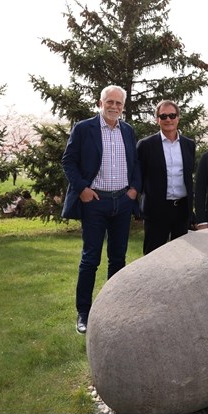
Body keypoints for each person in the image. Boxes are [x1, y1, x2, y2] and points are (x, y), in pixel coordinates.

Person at [61, 85, 141, 335]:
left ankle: (114, 307)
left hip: (122, 202)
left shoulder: (128, 131)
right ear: (100, 102)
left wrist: (134, 190)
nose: (114, 106)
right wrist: (83, 188)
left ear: (123, 106)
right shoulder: (84, 128)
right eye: (110, 102)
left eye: (119, 103)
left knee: (118, 259)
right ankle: (83, 312)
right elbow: (69, 161)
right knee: (90, 259)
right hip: (94, 202)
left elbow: (135, 164)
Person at [136, 100, 195, 255]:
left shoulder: (189, 145)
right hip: (156, 210)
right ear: (157, 120)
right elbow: (139, 177)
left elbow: (189, 176)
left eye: (172, 115)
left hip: (181, 210)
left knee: (182, 256)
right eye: (163, 116)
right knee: (152, 256)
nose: (168, 119)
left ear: (178, 118)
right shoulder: (145, 145)